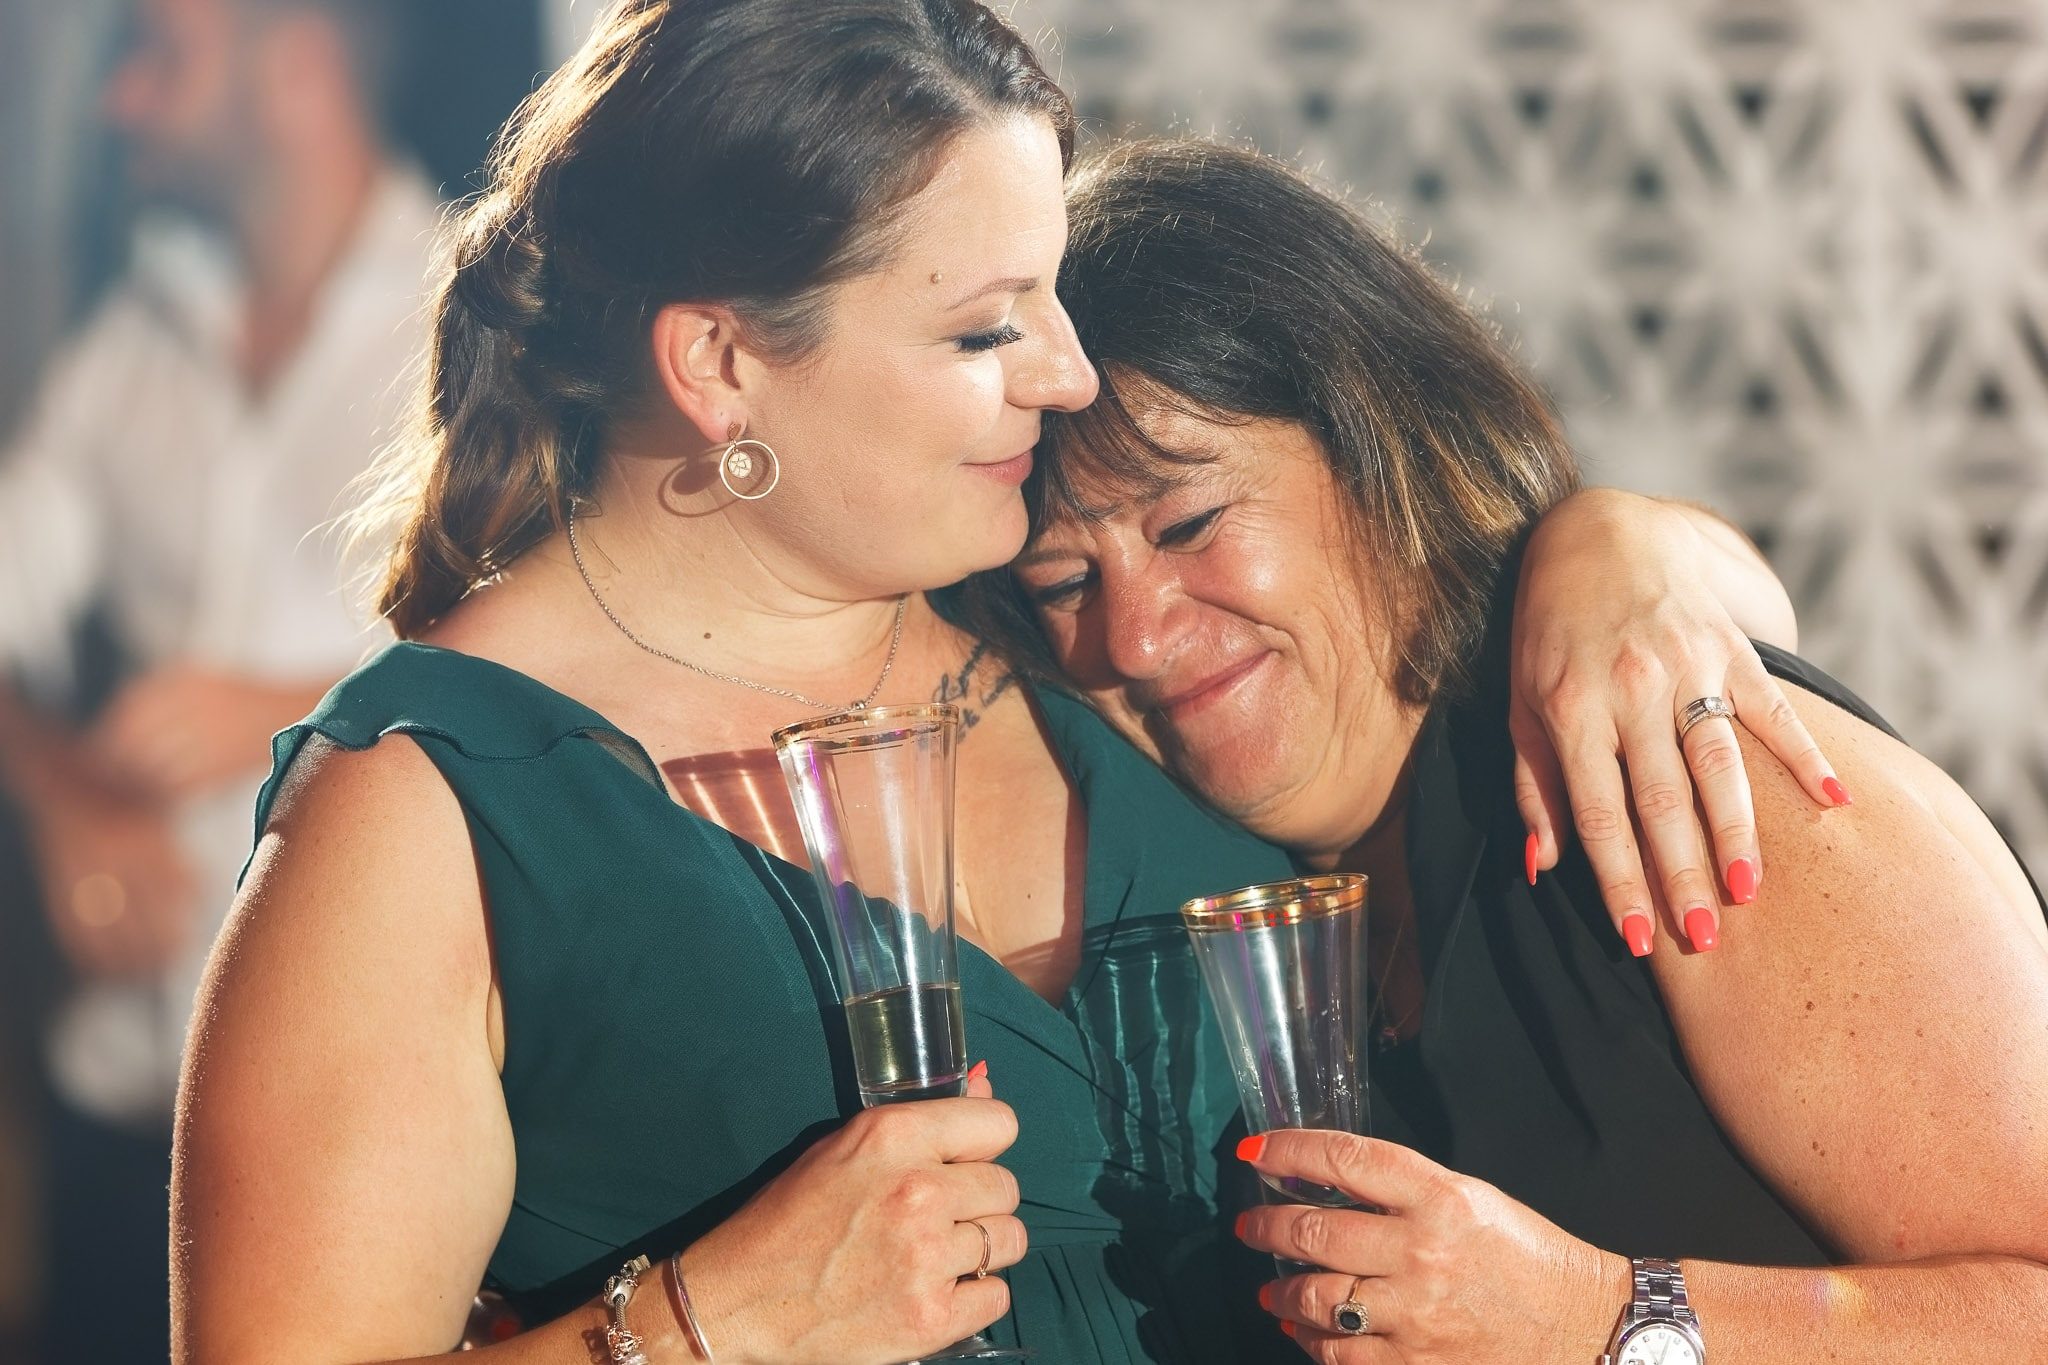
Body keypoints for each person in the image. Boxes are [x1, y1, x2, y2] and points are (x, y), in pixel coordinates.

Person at [173, 5, 1831, 1362]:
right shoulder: (423, 816)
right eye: (983, 328)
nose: (1067, 370)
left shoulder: (1073, 625)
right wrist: (701, 1328)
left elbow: (1471, 628)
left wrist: (1619, 549)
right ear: (721, 365)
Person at [984, 138, 2048, 1362]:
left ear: (1375, 435)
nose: (1133, 636)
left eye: (1190, 522)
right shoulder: (1260, 903)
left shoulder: (1678, 778)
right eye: (1064, 581)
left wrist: (1599, 1318)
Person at [0, 0, 434, 1358]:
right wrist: (68, 795)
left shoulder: (474, 324)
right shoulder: (137, 339)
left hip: (359, 1163)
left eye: (158, 54)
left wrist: (291, 708)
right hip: (117, 1113)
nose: (118, 101)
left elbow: (585, 671)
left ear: (293, 59)